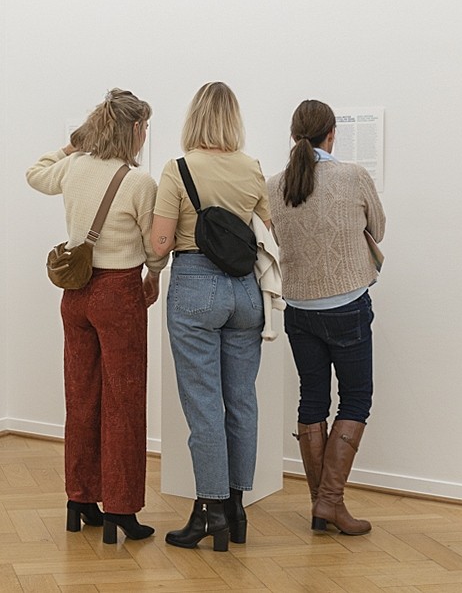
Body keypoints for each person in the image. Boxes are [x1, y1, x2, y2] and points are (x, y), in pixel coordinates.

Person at [26, 88, 167, 544]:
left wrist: (73, 144)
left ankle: (79, 500)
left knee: (81, 395)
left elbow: (35, 174)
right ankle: (120, 511)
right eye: (143, 126)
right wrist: (157, 273)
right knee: (124, 401)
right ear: (132, 129)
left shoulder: (74, 167)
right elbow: (153, 246)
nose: (146, 134)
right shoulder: (139, 181)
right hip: (118, 293)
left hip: (75, 296)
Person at [150, 81, 271, 550]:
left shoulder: (178, 169)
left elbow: (161, 244)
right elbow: (266, 230)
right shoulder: (252, 167)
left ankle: (209, 511)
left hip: (196, 285)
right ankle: (238, 509)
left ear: (194, 117)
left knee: (204, 406)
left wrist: (151, 270)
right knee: (242, 401)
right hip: (245, 293)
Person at [266, 99, 385, 536]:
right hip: (348, 306)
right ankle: (330, 503)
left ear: (293, 135)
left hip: (299, 309)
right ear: (332, 134)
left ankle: (321, 506)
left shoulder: (273, 185)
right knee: (356, 398)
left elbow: (277, 237)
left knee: (313, 399)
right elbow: (379, 226)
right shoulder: (353, 175)